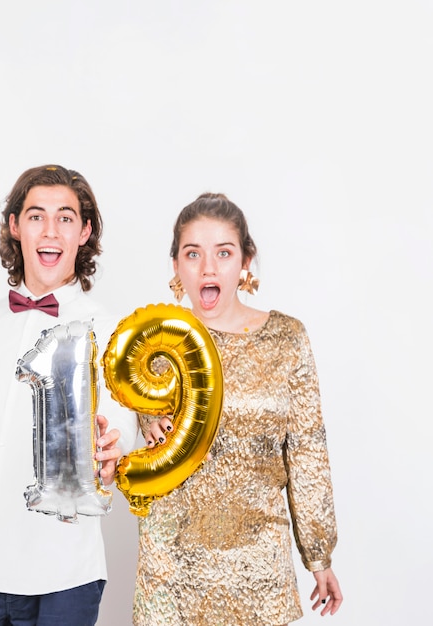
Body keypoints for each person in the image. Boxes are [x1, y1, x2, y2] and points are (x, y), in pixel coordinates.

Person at [0, 164, 138, 626]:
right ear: (15, 226)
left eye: (65, 218)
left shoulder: (112, 331)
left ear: (85, 231)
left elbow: (122, 435)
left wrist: (114, 451)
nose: (50, 231)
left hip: (65, 577)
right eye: (36, 216)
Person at [135, 192, 343, 625]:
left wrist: (319, 556)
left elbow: (307, 452)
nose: (208, 268)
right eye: (193, 254)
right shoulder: (153, 345)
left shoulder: (287, 339)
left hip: (259, 566)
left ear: (245, 261)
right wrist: (145, 417)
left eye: (223, 253)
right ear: (176, 266)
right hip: (171, 568)